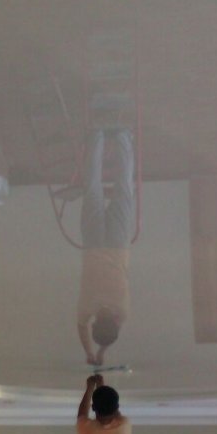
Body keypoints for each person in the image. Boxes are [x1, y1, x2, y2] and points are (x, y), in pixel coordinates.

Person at [78, 128, 135, 367]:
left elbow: (114, 329)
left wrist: (101, 352)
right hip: (93, 244)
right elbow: (82, 327)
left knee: (124, 188)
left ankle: (122, 138)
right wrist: (90, 352)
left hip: (118, 245)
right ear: (95, 323)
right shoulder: (87, 307)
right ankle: (97, 136)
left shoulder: (122, 310)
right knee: (92, 188)